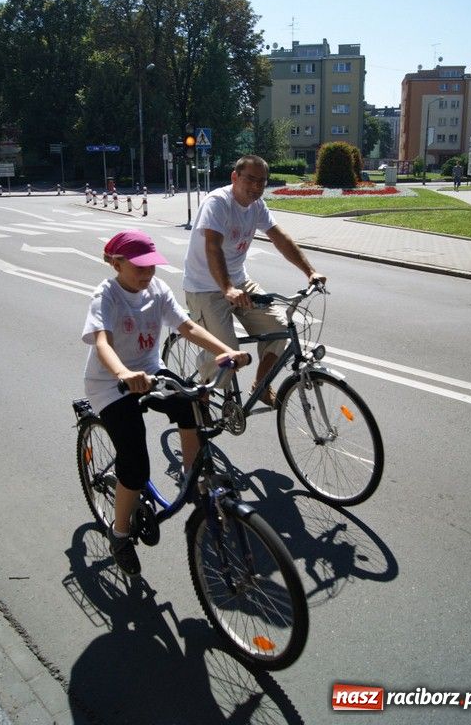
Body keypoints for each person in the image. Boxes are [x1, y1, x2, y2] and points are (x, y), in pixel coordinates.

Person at [82, 230, 249, 577]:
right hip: (111, 384)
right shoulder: (106, 296)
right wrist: (125, 374)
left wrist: (226, 350)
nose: (148, 275)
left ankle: (192, 479)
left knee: (190, 406)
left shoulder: (157, 289)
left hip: (150, 371)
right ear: (117, 263)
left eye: (151, 267)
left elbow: (186, 326)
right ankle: (120, 533)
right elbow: (102, 342)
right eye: (139, 268)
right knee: (135, 464)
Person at [183, 155, 326, 405]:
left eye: (262, 182)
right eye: (250, 179)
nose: (257, 187)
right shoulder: (218, 203)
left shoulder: (256, 206)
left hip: (239, 283)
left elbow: (279, 237)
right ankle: (199, 399)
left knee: (280, 327)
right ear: (234, 177)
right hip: (205, 288)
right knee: (227, 351)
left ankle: (261, 385)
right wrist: (226, 288)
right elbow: (213, 247)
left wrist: (310, 271)